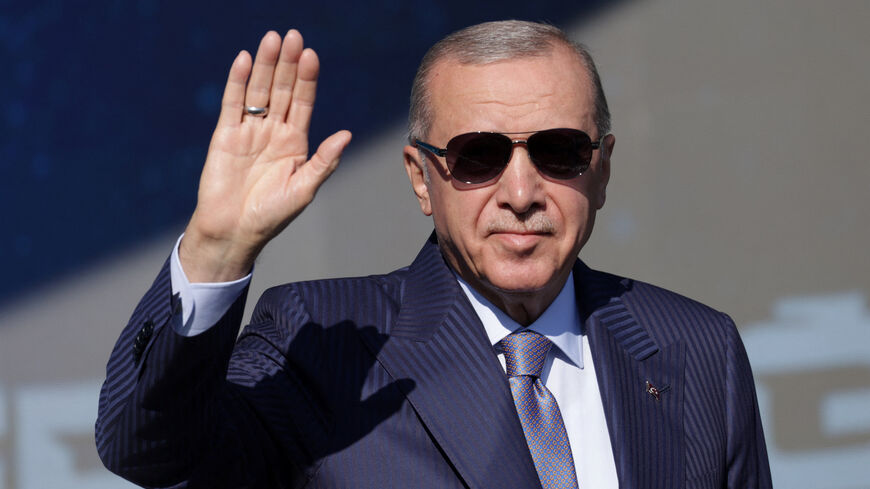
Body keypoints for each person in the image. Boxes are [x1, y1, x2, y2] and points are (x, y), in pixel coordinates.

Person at [96, 20, 772, 488]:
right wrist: (217, 248)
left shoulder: (697, 348)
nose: (520, 191)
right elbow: (150, 451)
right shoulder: (324, 340)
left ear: (600, 169)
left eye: (558, 151)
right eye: (478, 156)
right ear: (422, 178)